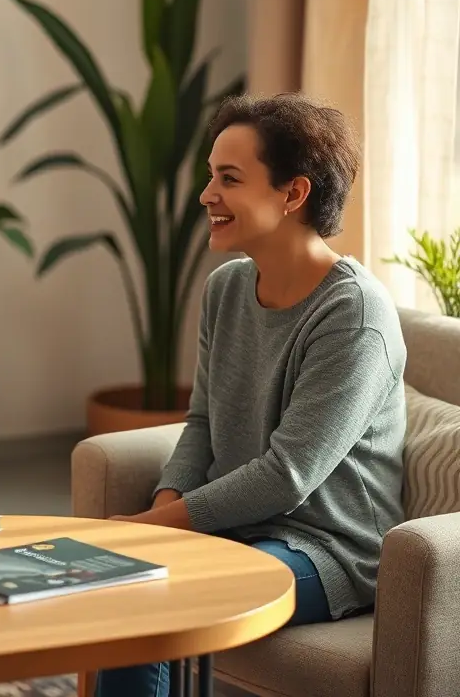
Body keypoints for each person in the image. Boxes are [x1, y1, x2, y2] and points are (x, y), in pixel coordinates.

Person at [97, 93, 407, 696]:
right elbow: (203, 423)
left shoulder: (355, 316)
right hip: (240, 530)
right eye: (211, 176)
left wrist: (158, 527)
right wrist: (163, 515)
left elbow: (289, 475)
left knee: (150, 590)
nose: (206, 196)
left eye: (229, 179)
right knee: (129, 579)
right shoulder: (228, 288)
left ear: (294, 194)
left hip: (329, 552)